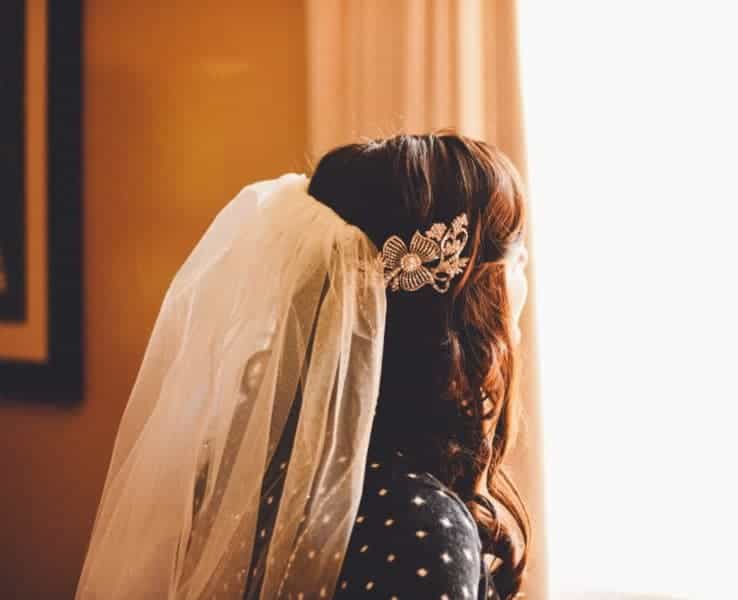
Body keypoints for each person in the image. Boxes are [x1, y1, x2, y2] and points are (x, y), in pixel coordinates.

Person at [75, 131, 531, 600]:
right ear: (460, 318)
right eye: (514, 262)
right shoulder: (420, 530)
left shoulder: (240, 477)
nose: (522, 284)